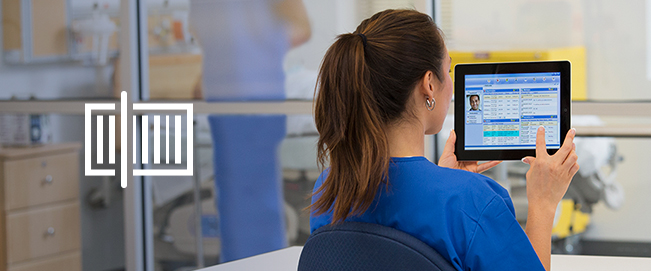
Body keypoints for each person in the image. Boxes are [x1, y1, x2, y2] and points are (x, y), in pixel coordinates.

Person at [309, 9, 578, 271]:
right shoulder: (473, 200)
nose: (450, 85)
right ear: (428, 84)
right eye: (448, 71)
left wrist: (442, 180)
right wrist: (543, 203)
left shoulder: (331, 188)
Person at [189, 0, 310, 262]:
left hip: (257, 97)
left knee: (253, 200)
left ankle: (258, 262)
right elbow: (203, 31)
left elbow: (302, 27)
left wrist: (256, 45)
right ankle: (246, 262)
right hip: (226, 100)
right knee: (235, 201)